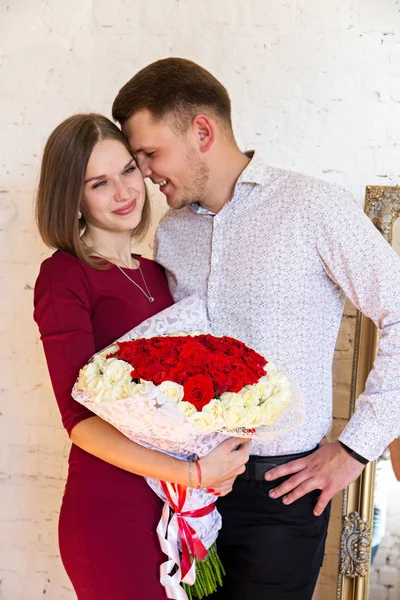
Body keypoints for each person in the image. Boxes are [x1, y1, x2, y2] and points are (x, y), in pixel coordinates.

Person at [111, 58, 400, 600]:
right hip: (187, 486)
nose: (144, 173)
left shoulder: (313, 208)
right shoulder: (170, 233)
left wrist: (357, 449)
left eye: (150, 154)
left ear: (202, 131)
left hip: (283, 490)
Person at [33, 113, 250, 600]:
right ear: (72, 197)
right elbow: (78, 421)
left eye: (129, 170)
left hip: (179, 507)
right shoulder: (64, 276)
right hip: (113, 510)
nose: (124, 192)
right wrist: (195, 473)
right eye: (99, 183)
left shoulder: (157, 273)